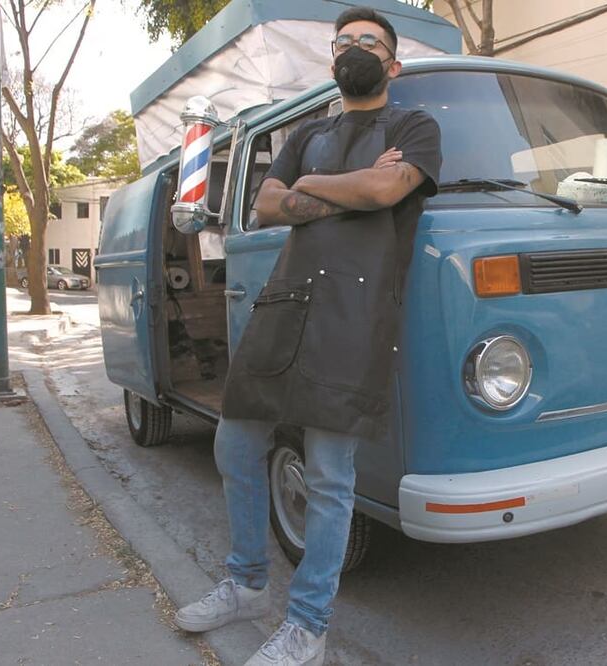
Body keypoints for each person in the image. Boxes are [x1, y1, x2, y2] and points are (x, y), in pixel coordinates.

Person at [174, 7, 442, 666]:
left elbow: (387, 189)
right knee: (235, 442)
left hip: (354, 313)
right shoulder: (305, 133)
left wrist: (311, 188)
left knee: (328, 474)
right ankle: (245, 584)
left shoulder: (414, 126)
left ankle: (307, 626)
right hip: (284, 304)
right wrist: (348, 188)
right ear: (332, 59)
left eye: (370, 42)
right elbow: (267, 203)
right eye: (345, 41)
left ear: (392, 65)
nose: (356, 48)